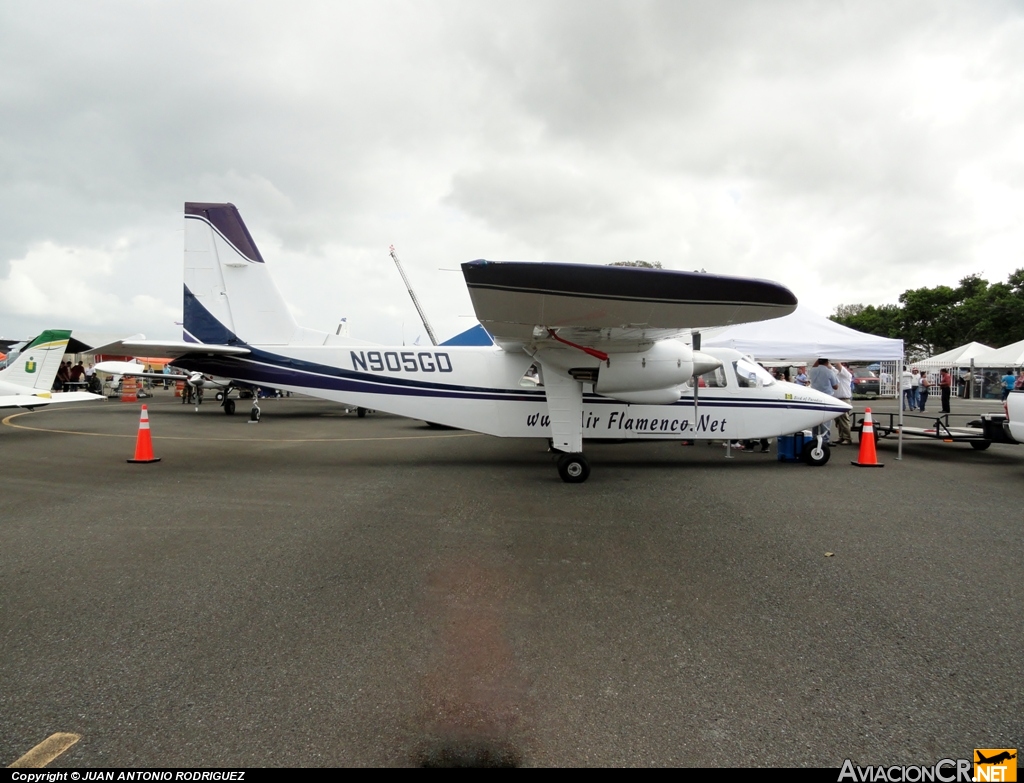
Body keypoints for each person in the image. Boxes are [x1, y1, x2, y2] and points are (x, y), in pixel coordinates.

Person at [809, 358, 839, 442]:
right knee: (826, 419)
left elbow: (814, 365)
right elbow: (835, 386)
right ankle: (825, 439)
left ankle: (814, 437)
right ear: (827, 362)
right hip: (826, 396)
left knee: (815, 419)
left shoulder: (812, 370)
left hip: (815, 396)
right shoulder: (829, 371)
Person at [834, 361, 853, 445]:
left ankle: (847, 438)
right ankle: (841, 436)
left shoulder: (846, 374)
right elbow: (831, 368)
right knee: (838, 420)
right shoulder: (837, 374)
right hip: (837, 399)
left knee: (844, 420)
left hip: (844, 399)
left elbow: (838, 365)